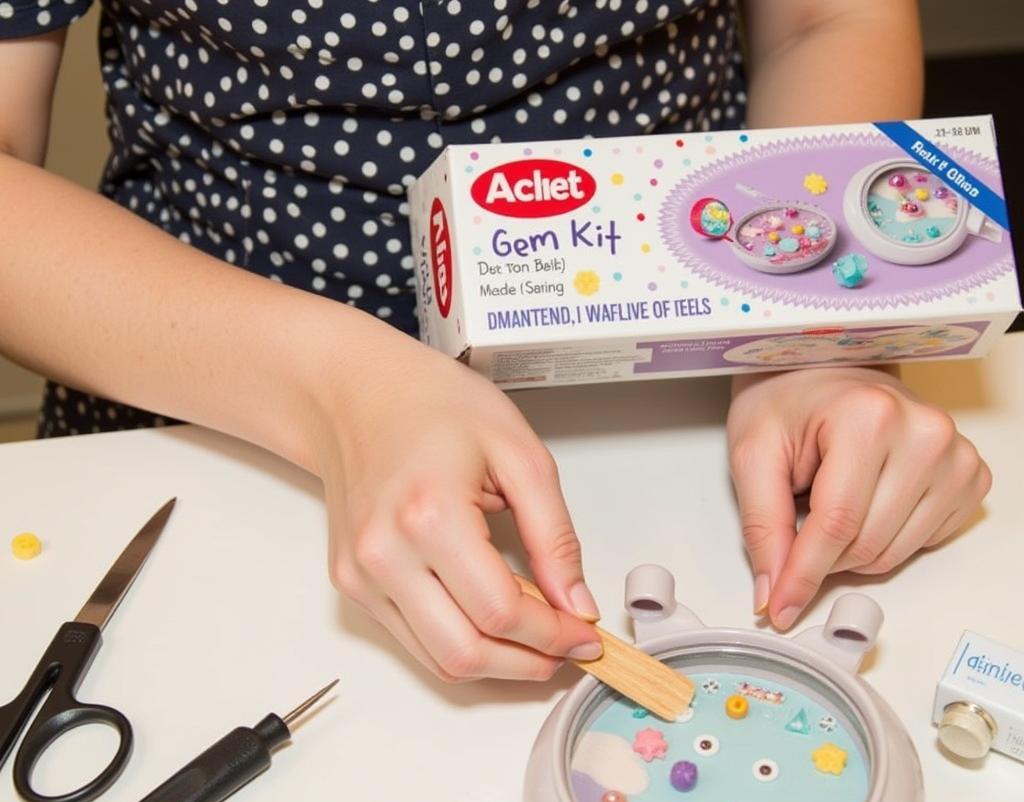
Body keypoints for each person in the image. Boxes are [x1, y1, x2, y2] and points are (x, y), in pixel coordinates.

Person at [0, 0, 990, 684]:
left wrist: (804, 334)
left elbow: (828, 17)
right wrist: (336, 387)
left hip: (687, 382)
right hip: (205, 399)